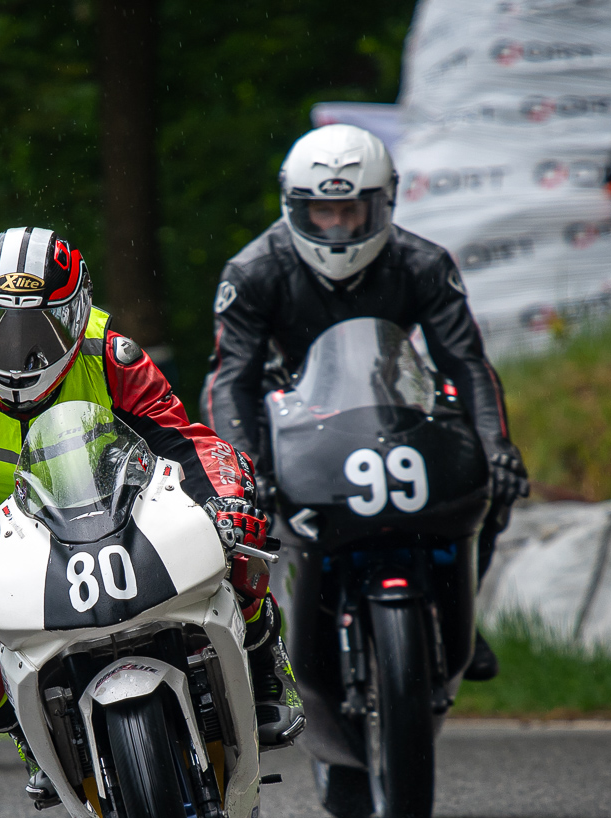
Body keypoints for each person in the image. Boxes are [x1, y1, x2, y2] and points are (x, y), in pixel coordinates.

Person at [0, 227, 303, 799]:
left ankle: (265, 667)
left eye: (39, 328)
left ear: (76, 315)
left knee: (234, 541)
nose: (16, 350)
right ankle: (28, 731)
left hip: (100, 501)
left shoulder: (110, 353)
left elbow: (185, 442)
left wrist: (228, 501)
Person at [202, 124, 528, 680]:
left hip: (392, 405)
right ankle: (257, 641)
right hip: (288, 416)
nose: (336, 227)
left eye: (351, 211)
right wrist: (243, 472)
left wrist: (496, 445)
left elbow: (465, 363)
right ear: (293, 206)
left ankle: (459, 607)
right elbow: (231, 380)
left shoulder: (425, 263)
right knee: (237, 517)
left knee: (498, 481)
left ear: (385, 204)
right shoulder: (253, 271)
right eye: (321, 211)